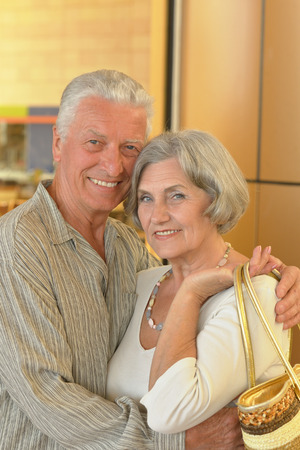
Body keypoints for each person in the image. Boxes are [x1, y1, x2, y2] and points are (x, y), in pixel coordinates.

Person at [0, 70, 298, 449]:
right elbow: (47, 396)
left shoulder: (128, 249)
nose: (113, 166)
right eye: (95, 142)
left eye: (130, 148)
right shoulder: (15, 246)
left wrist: (274, 280)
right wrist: (175, 441)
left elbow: (190, 274)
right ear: (58, 143)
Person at [106, 129, 292, 437]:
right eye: (146, 199)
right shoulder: (141, 284)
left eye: (176, 195)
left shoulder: (257, 297)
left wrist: (191, 293)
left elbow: (167, 416)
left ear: (217, 201)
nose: (157, 215)